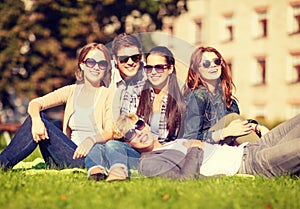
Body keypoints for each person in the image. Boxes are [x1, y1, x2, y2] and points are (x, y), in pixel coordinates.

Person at [0, 43, 114, 170]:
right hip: (65, 154)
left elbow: (110, 132)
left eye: (102, 64)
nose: (96, 67)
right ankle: (2, 163)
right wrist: (37, 120)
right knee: (38, 117)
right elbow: (35, 103)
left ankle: (2, 163)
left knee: (41, 119)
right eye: (91, 62)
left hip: (90, 159)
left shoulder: (109, 94)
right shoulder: (72, 91)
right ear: (82, 65)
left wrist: (91, 140)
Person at [85, 46, 186, 181]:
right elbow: (124, 125)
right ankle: (96, 172)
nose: (153, 72)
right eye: (149, 68)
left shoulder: (181, 101)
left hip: (163, 156)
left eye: (159, 67)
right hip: (138, 152)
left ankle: (118, 170)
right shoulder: (136, 92)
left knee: (113, 146)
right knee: (103, 146)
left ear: (170, 69)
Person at [114, 113, 300, 179]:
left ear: (145, 124)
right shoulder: (148, 163)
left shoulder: (170, 142)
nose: (138, 132)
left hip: (251, 148)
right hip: (252, 164)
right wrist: (194, 148)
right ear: (128, 142)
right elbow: (184, 180)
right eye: (130, 134)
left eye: (138, 125)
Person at [182, 46, 260, 145]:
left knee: (284, 130)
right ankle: (264, 153)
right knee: (232, 118)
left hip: (225, 149)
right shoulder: (197, 97)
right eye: (206, 63)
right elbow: (189, 138)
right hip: (204, 151)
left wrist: (256, 127)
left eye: (217, 61)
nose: (213, 65)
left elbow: (238, 127)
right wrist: (224, 132)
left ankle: (267, 151)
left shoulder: (228, 100)